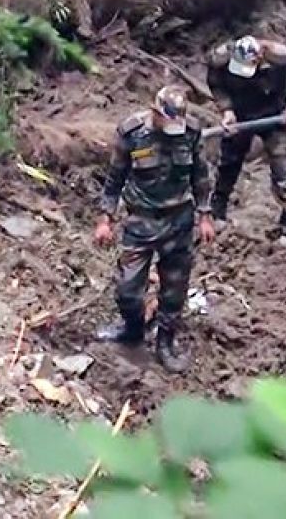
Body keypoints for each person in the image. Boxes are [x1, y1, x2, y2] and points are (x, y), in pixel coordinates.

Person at [94, 85, 215, 373]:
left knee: (174, 289)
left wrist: (205, 214)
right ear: (155, 113)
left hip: (178, 221)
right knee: (128, 289)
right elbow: (115, 177)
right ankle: (132, 329)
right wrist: (105, 218)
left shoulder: (190, 132)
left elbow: (200, 175)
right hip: (141, 222)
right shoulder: (133, 133)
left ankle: (165, 342)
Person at [206, 35, 286, 251]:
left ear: (260, 58)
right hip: (241, 117)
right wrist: (227, 109)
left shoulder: (281, 57)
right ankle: (217, 211)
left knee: (283, 174)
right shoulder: (221, 57)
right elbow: (215, 83)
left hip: (276, 117)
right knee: (228, 164)